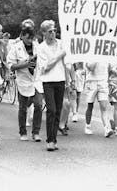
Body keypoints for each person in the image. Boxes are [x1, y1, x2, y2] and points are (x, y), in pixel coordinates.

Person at [37, 20, 71, 151]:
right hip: (48, 81)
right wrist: (60, 55)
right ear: (44, 33)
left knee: (58, 110)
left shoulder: (61, 44)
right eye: (50, 31)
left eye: (54, 31)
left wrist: (68, 81)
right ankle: (49, 140)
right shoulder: (41, 47)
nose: (53, 33)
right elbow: (46, 67)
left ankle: (54, 139)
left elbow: (65, 64)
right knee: (51, 109)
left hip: (60, 80)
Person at [8, 20, 43, 142]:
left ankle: (36, 132)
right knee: (23, 108)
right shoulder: (15, 48)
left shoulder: (37, 47)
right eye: (27, 38)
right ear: (22, 36)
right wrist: (25, 64)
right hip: (23, 81)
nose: (30, 41)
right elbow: (11, 66)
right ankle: (22, 132)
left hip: (36, 80)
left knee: (38, 105)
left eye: (31, 38)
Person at [84, 62, 114, 138]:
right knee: (90, 106)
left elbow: (110, 69)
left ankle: (107, 129)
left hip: (103, 83)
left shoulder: (106, 56)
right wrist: (96, 59)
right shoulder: (90, 56)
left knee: (104, 107)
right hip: (91, 83)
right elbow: (90, 67)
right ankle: (87, 126)